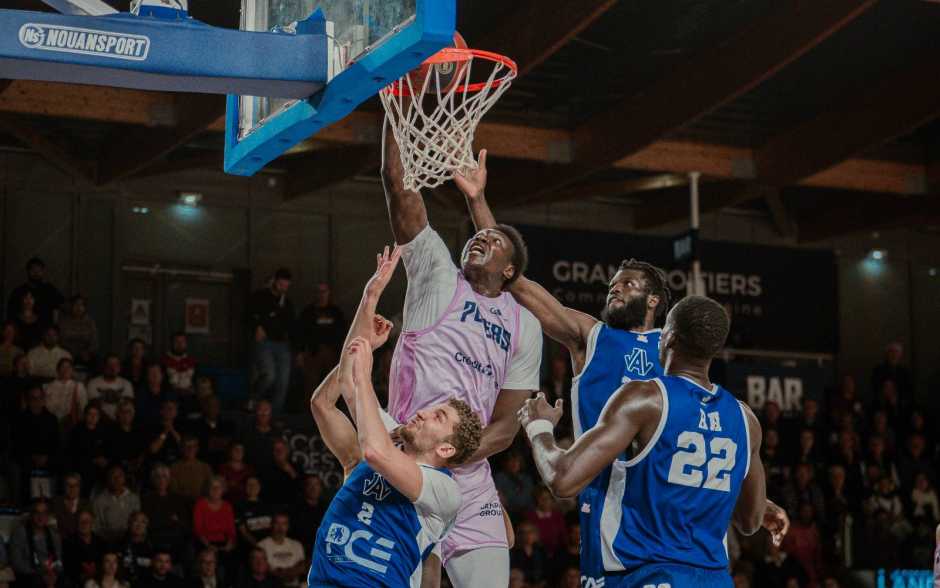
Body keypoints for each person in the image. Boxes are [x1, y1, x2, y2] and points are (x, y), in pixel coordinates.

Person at [459, 156, 790, 586]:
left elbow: (700, 451)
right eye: (612, 283)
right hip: (603, 488)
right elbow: (516, 280)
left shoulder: (679, 351)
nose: (615, 288)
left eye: (628, 284)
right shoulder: (591, 336)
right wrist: (479, 201)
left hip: (646, 512)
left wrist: (758, 504)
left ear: (656, 303)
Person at [517, 296, 784, 587]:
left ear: (668, 337)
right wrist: (763, 504)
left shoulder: (646, 399)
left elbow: (563, 480)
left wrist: (538, 427)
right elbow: (750, 521)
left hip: (649, 574)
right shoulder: (746, 419)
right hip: (714, 579)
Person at [382, 124, 543, 588]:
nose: (479, 241)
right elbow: (398, 184)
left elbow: (508, 424)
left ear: (509, 271)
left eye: (492, 244)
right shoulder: (438, 273)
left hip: (470, 481)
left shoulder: (524, 324)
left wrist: (455, 454)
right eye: (478, 238)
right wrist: (397, 106)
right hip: (408, 463)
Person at [306, 246, 482, 587]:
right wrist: (370, 297)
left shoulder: (444, 491)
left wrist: (365, 371)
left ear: (446, 449)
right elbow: (344, 382)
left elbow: (374, 451)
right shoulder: (391, 436)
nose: (424, 413)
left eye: (438, 417)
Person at [248, 268, 295, 415]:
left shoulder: (287, 303)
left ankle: (274, 414)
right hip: (265, 342)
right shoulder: (260, 297)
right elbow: (247, 315)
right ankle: (254, 400)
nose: (283, 288)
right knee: (269, 375)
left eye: (286, 285)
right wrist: (256, 327)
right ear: (275, 281)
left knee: (283, 382)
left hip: (282, 344)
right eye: (281, 284)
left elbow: (292, 324)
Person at [297, 282, 347, 398]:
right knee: (311, 384)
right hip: (313, 352)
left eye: (324, 291)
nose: (322, 294)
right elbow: (300, 333)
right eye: (319, 292)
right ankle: (310, 412)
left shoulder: (336, 312)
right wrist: (300, 352)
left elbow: (343, 332)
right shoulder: (308, 312)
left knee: (333, 384)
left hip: (333, 353)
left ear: (329, 293)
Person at [9, 498, 64, 587]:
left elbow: (58, 561)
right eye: (37, 512)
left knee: (64, 581)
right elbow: (17, 563)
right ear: (31, 514)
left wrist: (53, 573)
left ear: (48, 515)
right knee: (35, 581)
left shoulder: (54, 535)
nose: (41, 516)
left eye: (44, 513)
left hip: (51, 572)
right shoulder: (19, 533)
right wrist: (40, 572)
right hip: (30, 574)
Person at [6, 258, 64, 325]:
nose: (36, 273)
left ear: (43, 271)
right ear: (28, 271)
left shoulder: (50, 289)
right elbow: (11, 312)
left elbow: (60, 304)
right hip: (23, 327)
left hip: (46, 329)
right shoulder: (19, 291)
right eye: (33, 270)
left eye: (39, 270)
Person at [91, 466, 141, 544]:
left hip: (130, 541)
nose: (117, 479)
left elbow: (138, 522)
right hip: (107, 542)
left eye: (120, 476)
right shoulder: (99, 500)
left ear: (124, 478)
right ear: (108, 479)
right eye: (113, 476)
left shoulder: (134, 498)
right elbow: (96, 526)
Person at [256, 513, 305, 588]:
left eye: (284, 523)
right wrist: (282, 576)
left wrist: (289, 573)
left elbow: (302, 566)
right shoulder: (262, 545)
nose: (280, 527)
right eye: (277, 523)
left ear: (288, 526)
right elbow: (262, 569)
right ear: (271, 525)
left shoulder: (296, 545)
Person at [58, 295, 99, 377]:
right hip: (68, 353)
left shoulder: (89, 322)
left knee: (97, 361)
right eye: (76, 305)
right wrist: (72, 352)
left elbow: (94, 340)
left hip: (86, 353)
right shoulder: (64, 321)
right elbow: (61, 339)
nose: (79, 308)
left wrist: (88, 351)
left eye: (81, 305)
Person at [86, 355, 134, 421]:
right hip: (100, 422)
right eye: (109, 364)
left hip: (120, 422)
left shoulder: (126, 384)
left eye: (115, 365)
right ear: (104, 366)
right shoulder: (93, 383)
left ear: (119, 368)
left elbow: (128, 407)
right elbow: (94, 407)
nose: (112, 368)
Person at [43, 358, 87, 429]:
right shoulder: (48, 386)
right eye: (63, 367)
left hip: (69, 423)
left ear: (72, 370)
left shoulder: (78, 386)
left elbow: (83, 407)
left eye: (69, 367)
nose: (66, 369)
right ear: (58, 370)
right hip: (50, 422)